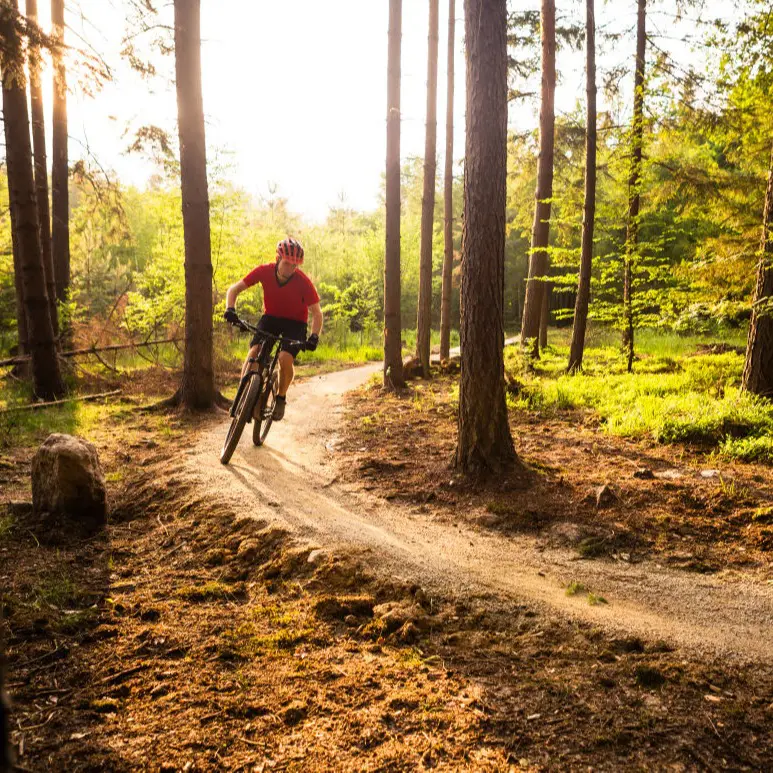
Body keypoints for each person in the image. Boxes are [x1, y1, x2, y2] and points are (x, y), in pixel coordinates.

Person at [223, 237, 323, 421]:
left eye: (294, 265)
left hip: (296, 323)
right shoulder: (264, 271)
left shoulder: (303, 282)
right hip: (271, 318)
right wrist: (230, 309)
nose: (290, 269)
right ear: (277, 259)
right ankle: (242, 395)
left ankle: (281, 398)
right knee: (255, 351)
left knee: (285, 358)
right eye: (286, 263)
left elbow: (317, 313)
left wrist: (314, 336)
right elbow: (234, 289)